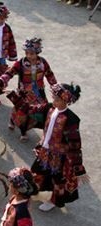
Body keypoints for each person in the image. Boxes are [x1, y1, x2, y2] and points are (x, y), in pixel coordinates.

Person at [30, 83, 90, 211]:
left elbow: (74, 145)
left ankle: (52, 201)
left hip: (58, 157)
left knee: (56, 180)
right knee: (37, 171)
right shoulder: (50, 108)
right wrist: (15, 97)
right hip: (45, 151)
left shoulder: (71, 120)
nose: (54, 101)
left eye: (57, 99)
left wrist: (79, 169)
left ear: (65, 101)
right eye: (54, 98)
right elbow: (32, 109)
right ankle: (39, 193)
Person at [0, 38, 57, 141]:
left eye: (32, 53)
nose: (29, 56)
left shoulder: (43, 63)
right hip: (24, 92)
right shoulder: (21, 63)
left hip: (39, 92)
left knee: (42, 111)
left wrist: (56, 88)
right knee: (21, 111)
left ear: (37, 53)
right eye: (27, 53)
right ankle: (21, 130)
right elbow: (9, 73)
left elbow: (50, 75)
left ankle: (41, 128)